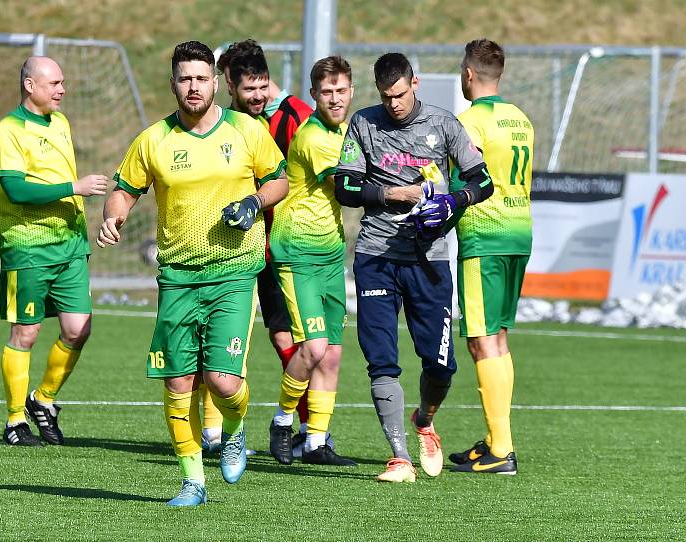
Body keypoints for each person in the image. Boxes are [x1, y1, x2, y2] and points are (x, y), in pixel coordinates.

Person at [96, 41, 287, 507]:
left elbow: (279, 179)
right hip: (178, 276)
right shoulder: (153, 140)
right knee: (179, 381)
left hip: (234, 272)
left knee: (222, 381)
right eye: (185, 79)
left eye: (202, 78)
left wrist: (255, 201)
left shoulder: (245, 130)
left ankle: (236, 430)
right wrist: (113, 217)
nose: (194, 87)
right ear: (173, 84)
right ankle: (192, 482)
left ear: (217, 83)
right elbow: (124, 189)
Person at [333, 52, 493, 482]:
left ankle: (424, 419)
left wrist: (450, 202)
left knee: (440, 366)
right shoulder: (364, 123)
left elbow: (483, 181)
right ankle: (399, 457)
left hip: (430, 260)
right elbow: (345, 186)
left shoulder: (444, 124)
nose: (394, 105)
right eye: (386, 97)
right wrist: (391, 196)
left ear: (414, 83)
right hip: (376, 257)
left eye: (400, 95)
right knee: (381, 359)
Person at [209, 40, 322, 457]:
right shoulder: (219, 123)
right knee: (219, 340)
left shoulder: (295, 117)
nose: (258, 97)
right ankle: (212, 433)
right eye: (248, 89)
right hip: (227, 247)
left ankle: (310, 431)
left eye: (263, 87)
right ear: (230, 86)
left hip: (280, 247)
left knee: (290, 340)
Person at [0, 56, 108, 447]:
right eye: (54, 83)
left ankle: (44, 399)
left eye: (62, 82)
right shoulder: (8, 131)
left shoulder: (61, 122)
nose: (62, 90)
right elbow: (16, 190)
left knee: (79, 329)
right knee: (26, 333)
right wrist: (73, 188)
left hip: (70, 247)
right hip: (27, 250)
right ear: (29, 85)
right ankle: (14, 422)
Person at [446, 39, 534, 475]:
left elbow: (470, 175)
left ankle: (501, 448)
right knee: (497, 338)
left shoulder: (469, 122)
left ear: (468, 74)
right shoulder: (521, 119)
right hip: (520, 234)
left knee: (481, 340)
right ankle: (498, 440)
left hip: (486, 236)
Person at [267, 56, 356, 467]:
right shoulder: (316, 137)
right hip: (297, 251)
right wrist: (404, 181)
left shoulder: (347, 133)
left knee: (333, 354)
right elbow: (348, 190)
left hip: (329, 250)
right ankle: (283, 419)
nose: (334, 99)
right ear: (314, 95)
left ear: (351, 90)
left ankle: (317, 441)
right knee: (315, 346)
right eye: (326, 92)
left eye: (340, 91)